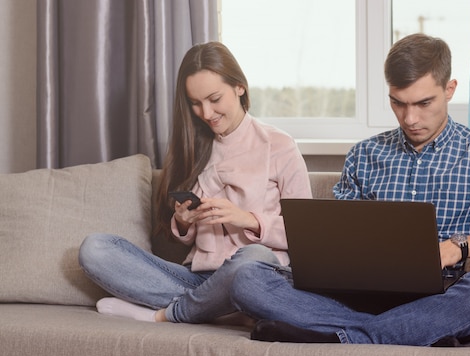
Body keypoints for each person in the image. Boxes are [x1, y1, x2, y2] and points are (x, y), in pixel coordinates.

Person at [227, 33, 470, 346]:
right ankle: (409, 331)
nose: (410, 118)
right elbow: (337, 240)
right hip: (364, 293)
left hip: (450, 290)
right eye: (398, 103)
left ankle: (344, 333)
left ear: (450, 89)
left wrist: (457, 248)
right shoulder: (364, 154)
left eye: (423, 103)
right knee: (247, 278)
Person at [78, 41, 311, 324]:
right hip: (197, 278)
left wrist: (248, 219)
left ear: (240, 87)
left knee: (250, 260)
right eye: (196, 103)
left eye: (214, 99)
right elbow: (185, 235)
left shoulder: (280, 145)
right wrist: (185, 222)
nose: (206, 113)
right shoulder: (193, 145)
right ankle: (224, 310)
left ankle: (168, 314)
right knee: (96, 249)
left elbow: (305, 234)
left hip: (257, 272)